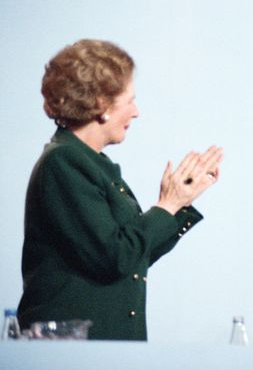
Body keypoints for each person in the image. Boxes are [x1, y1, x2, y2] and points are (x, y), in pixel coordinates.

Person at [17, 39, 224, 340]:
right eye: (130, 101)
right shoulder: (65, 162)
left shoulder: (92, 163)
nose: (136, 112)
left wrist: (178, 203)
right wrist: (166, 206)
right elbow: (114, 257)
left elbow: (132, 256)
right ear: (102, 105)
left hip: (108, 345)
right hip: (76, 351)